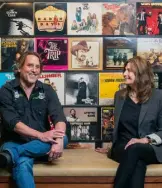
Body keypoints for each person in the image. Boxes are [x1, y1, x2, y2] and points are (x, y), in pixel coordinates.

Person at [0, 51, 68, 188]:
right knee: (23, 162)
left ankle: (11, 155)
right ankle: (17, 152)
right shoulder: (6, 90)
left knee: (64, 137)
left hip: (40, 145)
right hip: (14, 141)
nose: (34, 70)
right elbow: (12, 123)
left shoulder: (47, 90)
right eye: (30, 65)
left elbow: (58, 116)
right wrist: (41, 135)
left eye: (37, 67)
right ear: (19, 68)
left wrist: (59, 139)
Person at [96, 56, 162, 188]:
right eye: (124, 70)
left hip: (148, 147)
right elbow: (119, 128)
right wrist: (111, 147)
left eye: (129, 70)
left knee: (135, 149)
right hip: (122, 146)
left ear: (141, 73)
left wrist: (145, 140)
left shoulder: (159, 96)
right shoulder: (119, 96)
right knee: (137, 163)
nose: (125, 74)